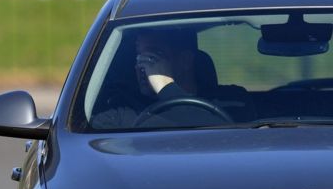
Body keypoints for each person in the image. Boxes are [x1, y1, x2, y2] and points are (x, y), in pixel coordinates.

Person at [91, 29, 256, 129]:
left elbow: (229, 136)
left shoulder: (232, 100)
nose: (143, 66)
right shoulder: (120, 110)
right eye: (139, 57)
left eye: (153, 56)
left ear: (185, 60)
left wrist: (167, 88)